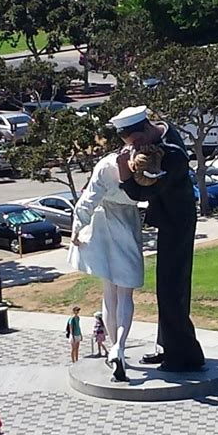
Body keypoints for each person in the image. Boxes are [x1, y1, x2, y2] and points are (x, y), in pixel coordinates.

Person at [115, 106, 205, 372]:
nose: (136, 149)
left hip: (178, 221)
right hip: (169, 221)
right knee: (167, 289)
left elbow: (140, 193)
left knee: (172, 290)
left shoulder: (172, 154)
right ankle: (170, 348)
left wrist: (123, 170)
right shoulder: (160, 134)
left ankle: (184, 357)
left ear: (145, 129)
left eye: (137, 143)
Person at [68, 145, 146, 382]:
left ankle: (116, 348)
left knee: (109, 291)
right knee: (124, 294)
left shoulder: (105, 167)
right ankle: (119, 347)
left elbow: (87, 202)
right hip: (124, 225)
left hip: (102, 223)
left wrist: (76, 228)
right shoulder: (144, 175)